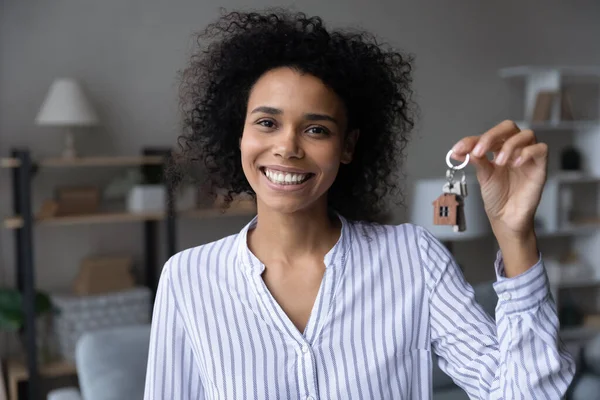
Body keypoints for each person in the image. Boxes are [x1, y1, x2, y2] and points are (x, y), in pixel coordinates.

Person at [144, 9, 575, 399]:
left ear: (347, 147)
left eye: (316, 130)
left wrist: (515, 235)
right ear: (238, 134)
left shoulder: (413, 259)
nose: (287, 147)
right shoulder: (188, 279)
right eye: (267, 123)